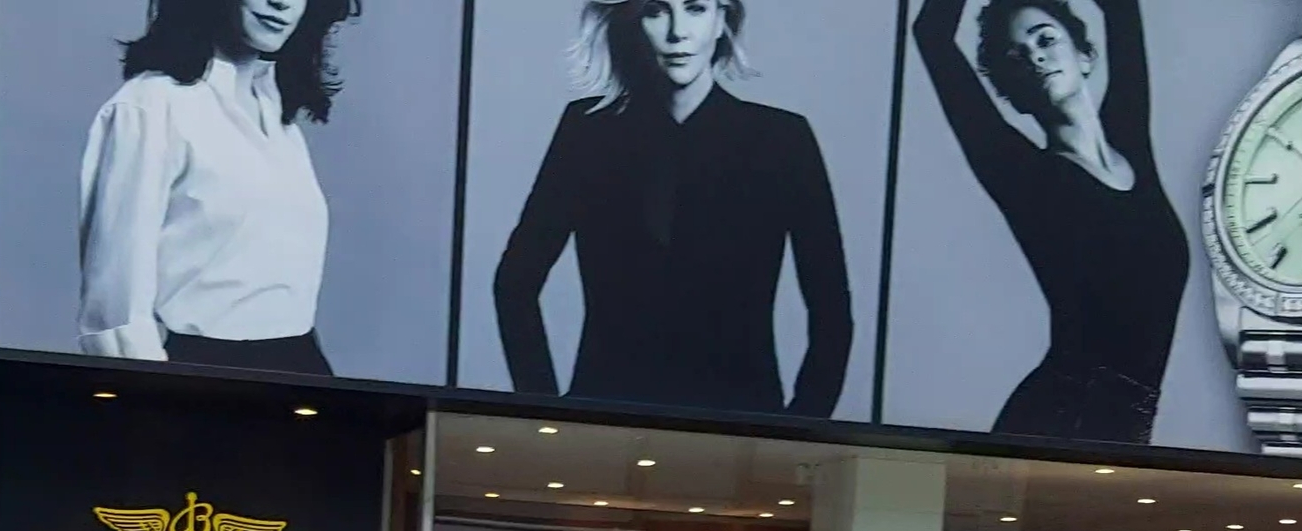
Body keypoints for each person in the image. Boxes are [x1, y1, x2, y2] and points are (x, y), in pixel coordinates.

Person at [494, 0, 852, 416]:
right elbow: (515, 282)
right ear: (633, 23)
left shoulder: (781, 138)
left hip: (742, 421)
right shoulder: (590, 131)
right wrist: (543, 409)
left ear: (722, 20)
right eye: (656, 11)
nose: (677, 31)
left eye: (696, 9)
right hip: (605, 413)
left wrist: (803, 424)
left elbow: (831, 305)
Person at [914, 0, 1186, 443]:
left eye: (1045, 39)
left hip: (1125, 423)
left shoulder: (1131, 140)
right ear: (1012, 92)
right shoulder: (1020, 173)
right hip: (1062, 417)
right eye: (1016, 56)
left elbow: (1122, 10)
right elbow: (932, 35)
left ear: (1084, 56)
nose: (1036, 55)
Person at [78, 0, 359, 373]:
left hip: (301, 368)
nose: (281, 2)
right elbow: (116, 314)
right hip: (202, 375)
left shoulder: (275, 112)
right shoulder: (150, 106)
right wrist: (152, 405)